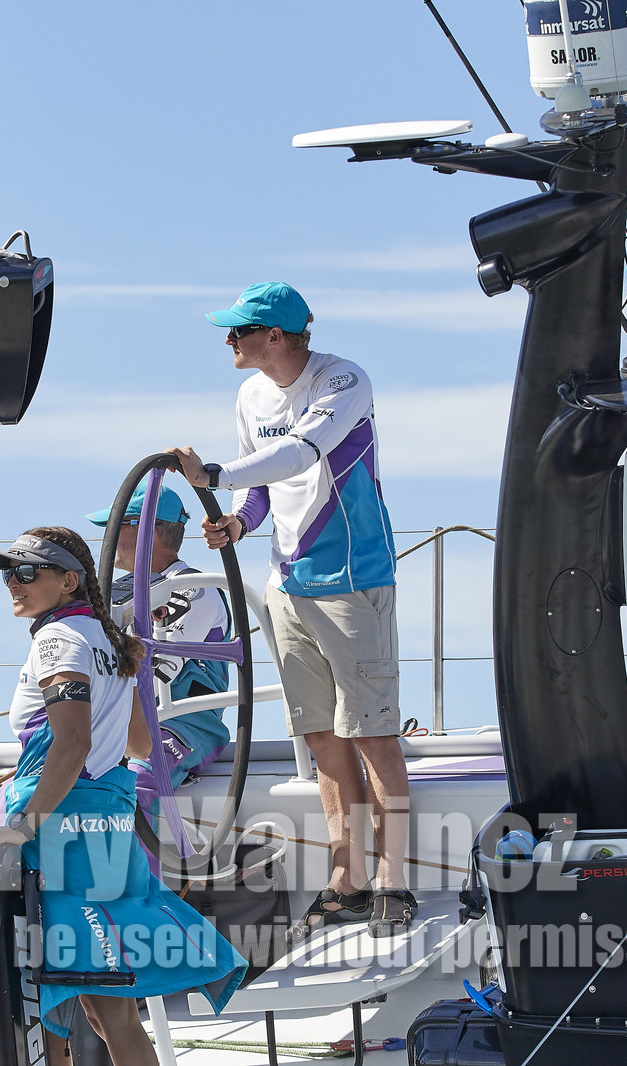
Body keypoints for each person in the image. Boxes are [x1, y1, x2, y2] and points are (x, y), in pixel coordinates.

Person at [166, 281, 414, 942]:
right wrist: (238, 525)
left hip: (353, 578)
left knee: (373, 735)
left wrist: (213, 477)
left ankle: (395, 880)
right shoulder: (250, 395)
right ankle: (349, 879)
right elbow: (267, 488)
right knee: (322, 736)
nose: (229, 343)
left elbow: (301, 453)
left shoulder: (343, 379)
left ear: (275, 336)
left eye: (239, 332)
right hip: (288, 584)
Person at [0, 528, 244, 1060]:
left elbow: (71, 745)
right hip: (106, 822)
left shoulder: (56, 641)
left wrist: (20, 826)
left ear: (69, 580)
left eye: (27, 573)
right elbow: (139, 743)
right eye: (8, 573)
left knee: (45, 993)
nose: (13, 584)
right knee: (106, 1004)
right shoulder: (108, 640)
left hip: (58, 832)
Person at [87, 486, 231, 815]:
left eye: (113, 526)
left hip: (184, 727)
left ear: (145, 528)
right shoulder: (120, 596)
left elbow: (159, 672)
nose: (106, 539)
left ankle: (140, 869)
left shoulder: (193, 589)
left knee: (133, 784)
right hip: (126, 722)